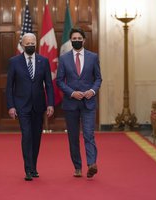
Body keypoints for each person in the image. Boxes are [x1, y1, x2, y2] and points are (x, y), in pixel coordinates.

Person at [6, 33, 55, 181]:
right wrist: (11, 106)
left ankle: (33, 167)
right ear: (22, 45)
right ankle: (28, 169)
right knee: (26, 135)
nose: (30, 46)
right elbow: (9, 87)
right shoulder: (14, 62)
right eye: (27, 43)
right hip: (21, 106)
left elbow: (49, 85)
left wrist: (50, 104)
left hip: (38, 105)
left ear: (36, 43)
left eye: (32, 43)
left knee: (36, 137)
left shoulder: (44, 61)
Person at [56, 28, 102, 178]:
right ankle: (77, 167)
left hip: (88, 103)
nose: (76, 40)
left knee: (89, 134)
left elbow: (98, 78)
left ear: (84, 40)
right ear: (70, 41)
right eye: (73, 38)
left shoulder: (93, 57)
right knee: (73, 137)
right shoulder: (63, 59)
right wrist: (71, 92)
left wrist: (93, 91)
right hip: (71, 104)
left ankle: (91, 164)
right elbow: (59, 81)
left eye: (79, 38)